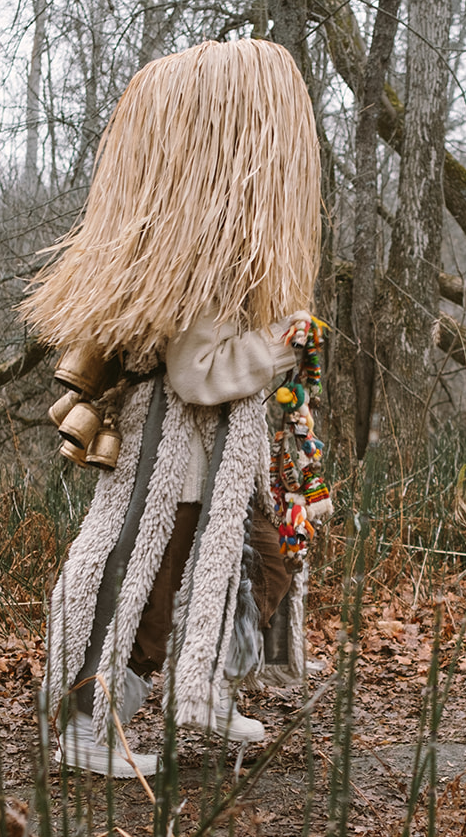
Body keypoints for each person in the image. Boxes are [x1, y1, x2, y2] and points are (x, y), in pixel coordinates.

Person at [19, 38, 321, 777]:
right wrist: (279, 345)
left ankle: (210, 683)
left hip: (219, 467)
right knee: (145, 597)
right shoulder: (203, 267)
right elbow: (195, 375)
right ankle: (88, 725)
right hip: (175, 466)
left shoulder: (224, 257)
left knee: (264, 558)